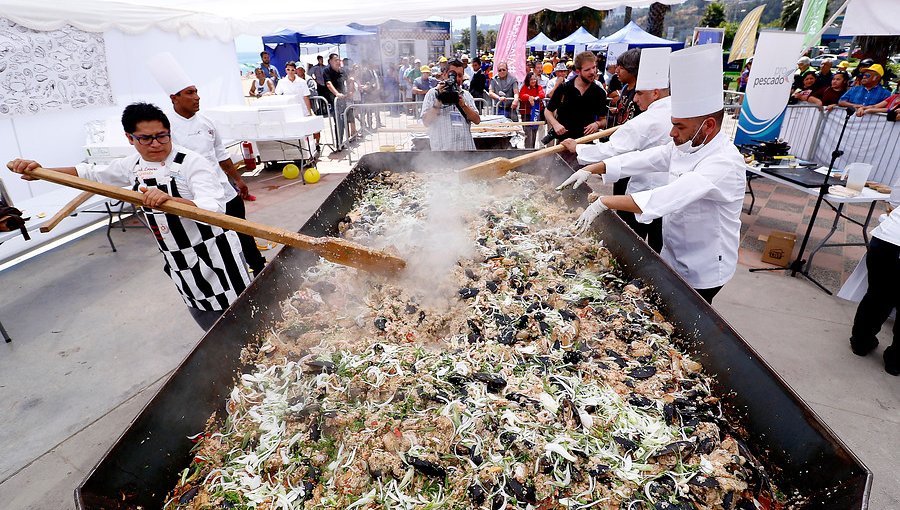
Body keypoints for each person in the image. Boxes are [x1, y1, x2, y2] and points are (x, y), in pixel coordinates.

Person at [6, 103, 251, 330]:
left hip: (215, 254)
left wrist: (170, 200)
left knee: (239, 312)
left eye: (162, 135)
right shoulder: (132, 164)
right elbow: (92, 174)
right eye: (145, 138)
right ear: (129, 138)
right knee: (206, 317)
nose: (156, 144)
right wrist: (43, 172)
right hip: (178, 256)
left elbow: (213, 208)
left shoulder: (190, 162)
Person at [558, 44, 746, 304]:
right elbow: (644, 158)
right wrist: (592, 168)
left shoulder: (724, 163)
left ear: (709, 126)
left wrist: (603, 202)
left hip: (705, 266)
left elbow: (666, 196)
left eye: (679, 127)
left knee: (688, 314)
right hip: (674, 251)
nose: (672, 133)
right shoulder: (688, 144)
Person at [147, 52, 268, 276]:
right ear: (174, 98)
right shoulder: (164, 128)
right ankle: (227, 276)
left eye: (197, 92)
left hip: (224, 191)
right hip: (195, 198)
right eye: (190, 93)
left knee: (243, 231)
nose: (197, 97)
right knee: (211, 241)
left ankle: (259, 268)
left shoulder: (207, 122)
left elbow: (221, 155)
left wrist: (238, 180)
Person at [557, 48, 673, 254]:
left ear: (655, 92)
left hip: (647, 191)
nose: (635, 99)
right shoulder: (675, 110)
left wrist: (578, 148)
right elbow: (645, 158)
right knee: (659, 250)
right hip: (666, 197)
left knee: (629, 244)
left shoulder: (648, 120)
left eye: (639, 93)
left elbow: (612, 149)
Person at [848, 187, 900, 375]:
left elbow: (894, 201)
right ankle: (895, 361)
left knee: (877, 295)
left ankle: (861, 342)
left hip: (889, 238)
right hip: (891, 238)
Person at [544, 52, 608, 146]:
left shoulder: (599, 92)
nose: (592, 72)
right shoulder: (564, 88)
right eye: (587, 70)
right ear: (578, 71)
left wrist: (597, 124)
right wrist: (555, 124)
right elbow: (548, 111)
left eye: (594, 67)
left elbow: (603, 120)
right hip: (563, 145)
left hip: (585, 146)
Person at [421, 59, 481, 151]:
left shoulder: (466, 95)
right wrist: (439, 101)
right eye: (452, 74)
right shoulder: (433, 94)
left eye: (460, 75)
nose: (456, 78)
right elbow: (426, 122)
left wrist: (463, 105)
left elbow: (477, 120)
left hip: (466, 152)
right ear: (444, 75)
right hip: (443, 154)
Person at [276, 61, 321, 148]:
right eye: (288, 69)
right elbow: (278, 95)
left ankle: (314, 147)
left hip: (303, 110)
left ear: (295, 70)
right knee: (295, 133)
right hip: (289, 113)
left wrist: (309, 112)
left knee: (312, 130)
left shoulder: (302, 82)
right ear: (285, 70)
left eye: (292, 70)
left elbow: (306, 97)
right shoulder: (282, 82)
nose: (290, 72)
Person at [323, 54, 349, 146]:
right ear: (330, 61)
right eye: (335, 60)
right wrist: (337, 94)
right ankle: (339, 144)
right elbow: (328, 84)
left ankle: (345, 142)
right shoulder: (327, 71)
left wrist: (350, 91)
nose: (338, 62)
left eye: (339, 60)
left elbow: (347, 81)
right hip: (333, 101)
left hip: (344, 99)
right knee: (338, 122)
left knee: (345, 121)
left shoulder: (342, 71)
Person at [518, 71, 545, 148]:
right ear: (528, 80)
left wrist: (535, 98)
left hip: (535, 113)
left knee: (534, 132)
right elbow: (522, 95)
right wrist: (529, 97)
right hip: (526, 114)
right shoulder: (524, 87)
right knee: (528, 133)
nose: (533, 81)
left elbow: (542, 94)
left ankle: (532, 148)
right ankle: (527, 149)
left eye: (534, 79)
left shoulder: (539, 87)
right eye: (531, 79)